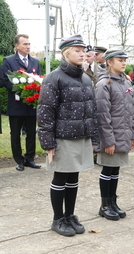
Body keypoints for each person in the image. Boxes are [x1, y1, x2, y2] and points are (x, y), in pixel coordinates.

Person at [37, 35, 98, 236]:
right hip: (63, 137)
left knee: (74, 176)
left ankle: (69, 215)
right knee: (61, 177)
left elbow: (91, 110)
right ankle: (57, 219)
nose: (83, 54)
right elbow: (46, 112)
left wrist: (93, 138)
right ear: (66, 53)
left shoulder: (85, 78)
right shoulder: (54, 78)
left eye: (83, 50)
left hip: (81, 136)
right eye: (77, 50)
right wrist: (47, 142)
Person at [95, 48, 134, 220]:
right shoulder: (104, 84)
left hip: (123, 134)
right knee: (107, 170)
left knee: (115, 170)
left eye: (124, 60)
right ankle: (104, 205)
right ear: (110, 62)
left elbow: (132, 111)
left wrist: (133, 135)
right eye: (120, 60)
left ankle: (113, 202)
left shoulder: (126, 83)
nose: (124, 63)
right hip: (111, 137)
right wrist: (108, 141)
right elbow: (102, 116)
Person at [1, 34, 42, 171]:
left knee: (31, 132)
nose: (28, 46)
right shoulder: (9, 61)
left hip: (31, 104)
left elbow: (38, 78)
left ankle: (30, 158)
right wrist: (22, 89)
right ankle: (19, 160)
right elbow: (4, 80)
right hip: (16, 104)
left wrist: (34, 90)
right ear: (17, 46)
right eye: (25, 44)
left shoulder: (35, 61)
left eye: (29, 44)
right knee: (15, 133)